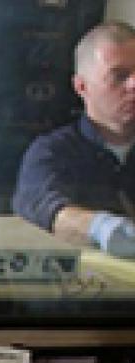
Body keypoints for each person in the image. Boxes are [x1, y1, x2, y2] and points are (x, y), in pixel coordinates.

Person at [13, 21, 135, 257]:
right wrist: (105, 229)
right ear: (81, 86)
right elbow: (45, 207)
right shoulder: (52, 153)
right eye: (119, 76)